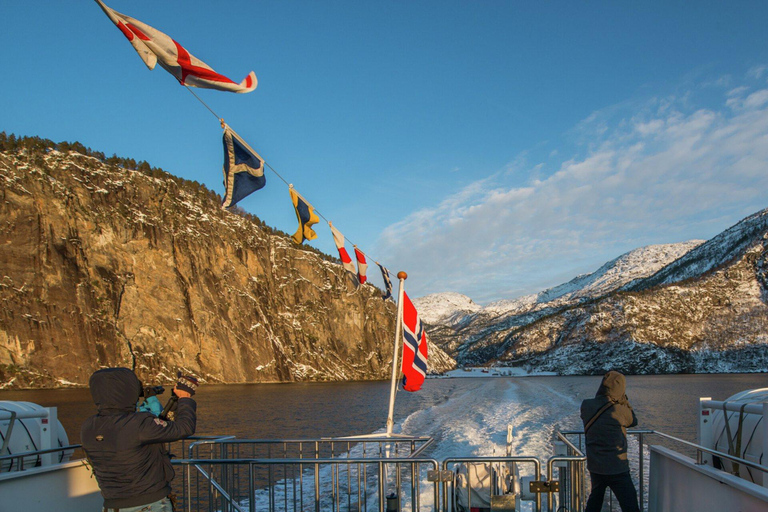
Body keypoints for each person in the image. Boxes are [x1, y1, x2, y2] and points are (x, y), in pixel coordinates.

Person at [81, 368, 198, 512]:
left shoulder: (88, 426)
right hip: (148, 503)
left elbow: (149, 430)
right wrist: (185, 398)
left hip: (112, 504)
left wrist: (173, 402)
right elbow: (184, 428)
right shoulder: (139, 424)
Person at [580, 370, 640, 512]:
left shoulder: (586, 405)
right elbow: (633, 420)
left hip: (595, 465)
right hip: (617, 467)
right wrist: (623, 400)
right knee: (629, 503)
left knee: (595, 499)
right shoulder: (619, 409)